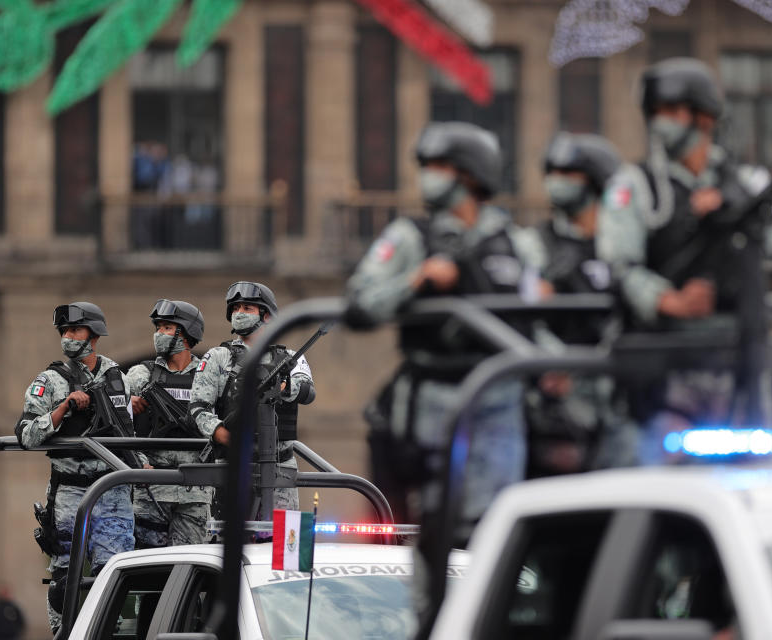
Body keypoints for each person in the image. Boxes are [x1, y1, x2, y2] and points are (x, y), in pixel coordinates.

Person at [345, 122, 543, 621]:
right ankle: (434, 623)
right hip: (435, 398)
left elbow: (536, 312)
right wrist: (416, 281)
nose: (428, 178)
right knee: (436, 529)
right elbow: (361, 301)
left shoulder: (515, 243)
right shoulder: (411, 236)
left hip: (498, 400)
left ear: (469, 175)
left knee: (497, 526)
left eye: (439, 167)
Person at [598, 57, 772, 452]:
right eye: (658, 113)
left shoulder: (744, 182)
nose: (664, 122)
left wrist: (737, 205)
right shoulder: (636, 185)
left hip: (739, 363)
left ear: (705, 118)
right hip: (665, 374)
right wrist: (668, 300)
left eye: (675, 111)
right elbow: (619, 264)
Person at [14, 302, 134, 634]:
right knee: (65, 578)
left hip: (113, 489)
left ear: (93, 336)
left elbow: (129, 433)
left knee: (116, 575)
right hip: (70, 490)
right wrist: (63, 408)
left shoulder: (117, 377)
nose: (68, 337)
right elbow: (26, 434)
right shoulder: (51, 379)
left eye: (75, 330)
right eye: (64, 331)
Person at [525, 132, 640, 475]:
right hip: (561, 397)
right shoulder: (535, 243)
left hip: (620, 392)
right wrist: (552, 362)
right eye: (553, 173)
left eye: (568, 174)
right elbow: (524, 313)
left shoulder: (623, 247)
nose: (556, 183)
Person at [189, 281, 315, 513]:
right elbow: (198, 407)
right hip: (233, 464)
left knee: (280, 542)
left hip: (281, 466)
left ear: (266, 316)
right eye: (236, 309)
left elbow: (308, 391)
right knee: (229, 542)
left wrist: (284, 387)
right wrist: (221, 434)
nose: (239, 313)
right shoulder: (218, 357)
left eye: (247, 308)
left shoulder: (288, 358)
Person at [125, 299, 212, 547]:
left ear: (185, 333)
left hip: (194, 490)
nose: (158, 334)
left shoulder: (208, 376)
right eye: (158, 328)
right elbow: (113, 413)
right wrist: (128, 402)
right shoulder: (141, 374)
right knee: (146, 571)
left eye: (166, 328)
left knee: (188, 568)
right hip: (152, 488)